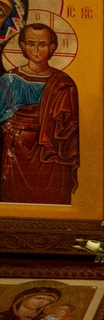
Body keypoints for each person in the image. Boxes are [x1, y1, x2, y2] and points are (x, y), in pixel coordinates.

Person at [0, 21, 79, 206]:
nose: (36, 50)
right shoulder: (9, 80)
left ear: (52, 48)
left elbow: (71, 127)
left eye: (42, 44)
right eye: (30, 44)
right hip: (16, 152)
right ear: (22, 46)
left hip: (51, 155)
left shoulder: (63, 84)